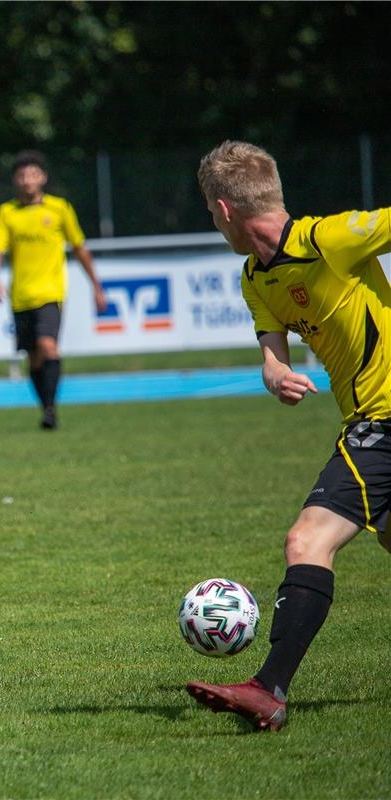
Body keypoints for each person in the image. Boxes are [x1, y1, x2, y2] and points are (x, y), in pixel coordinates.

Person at [187, 140, 390, 732]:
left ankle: (267, 688)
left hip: (384, 423)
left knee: (307, 541)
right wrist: (274, 370)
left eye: (208, 213)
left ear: (223, 210)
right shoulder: (256, 276)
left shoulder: (330, 239)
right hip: (365, 421)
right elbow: (273, 349)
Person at [0, 150, 107, 430]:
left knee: (48, 346)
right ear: (16, 180)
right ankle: (47, 408)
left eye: (33, 174)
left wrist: (96, 286)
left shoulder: (59, 209)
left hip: (50, 293)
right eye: (22, 175)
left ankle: (51, 408)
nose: (28, 180)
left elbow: (79, 248)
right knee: (34, 357)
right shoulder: (7, 213)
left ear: (43, 177)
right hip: (20, 296)